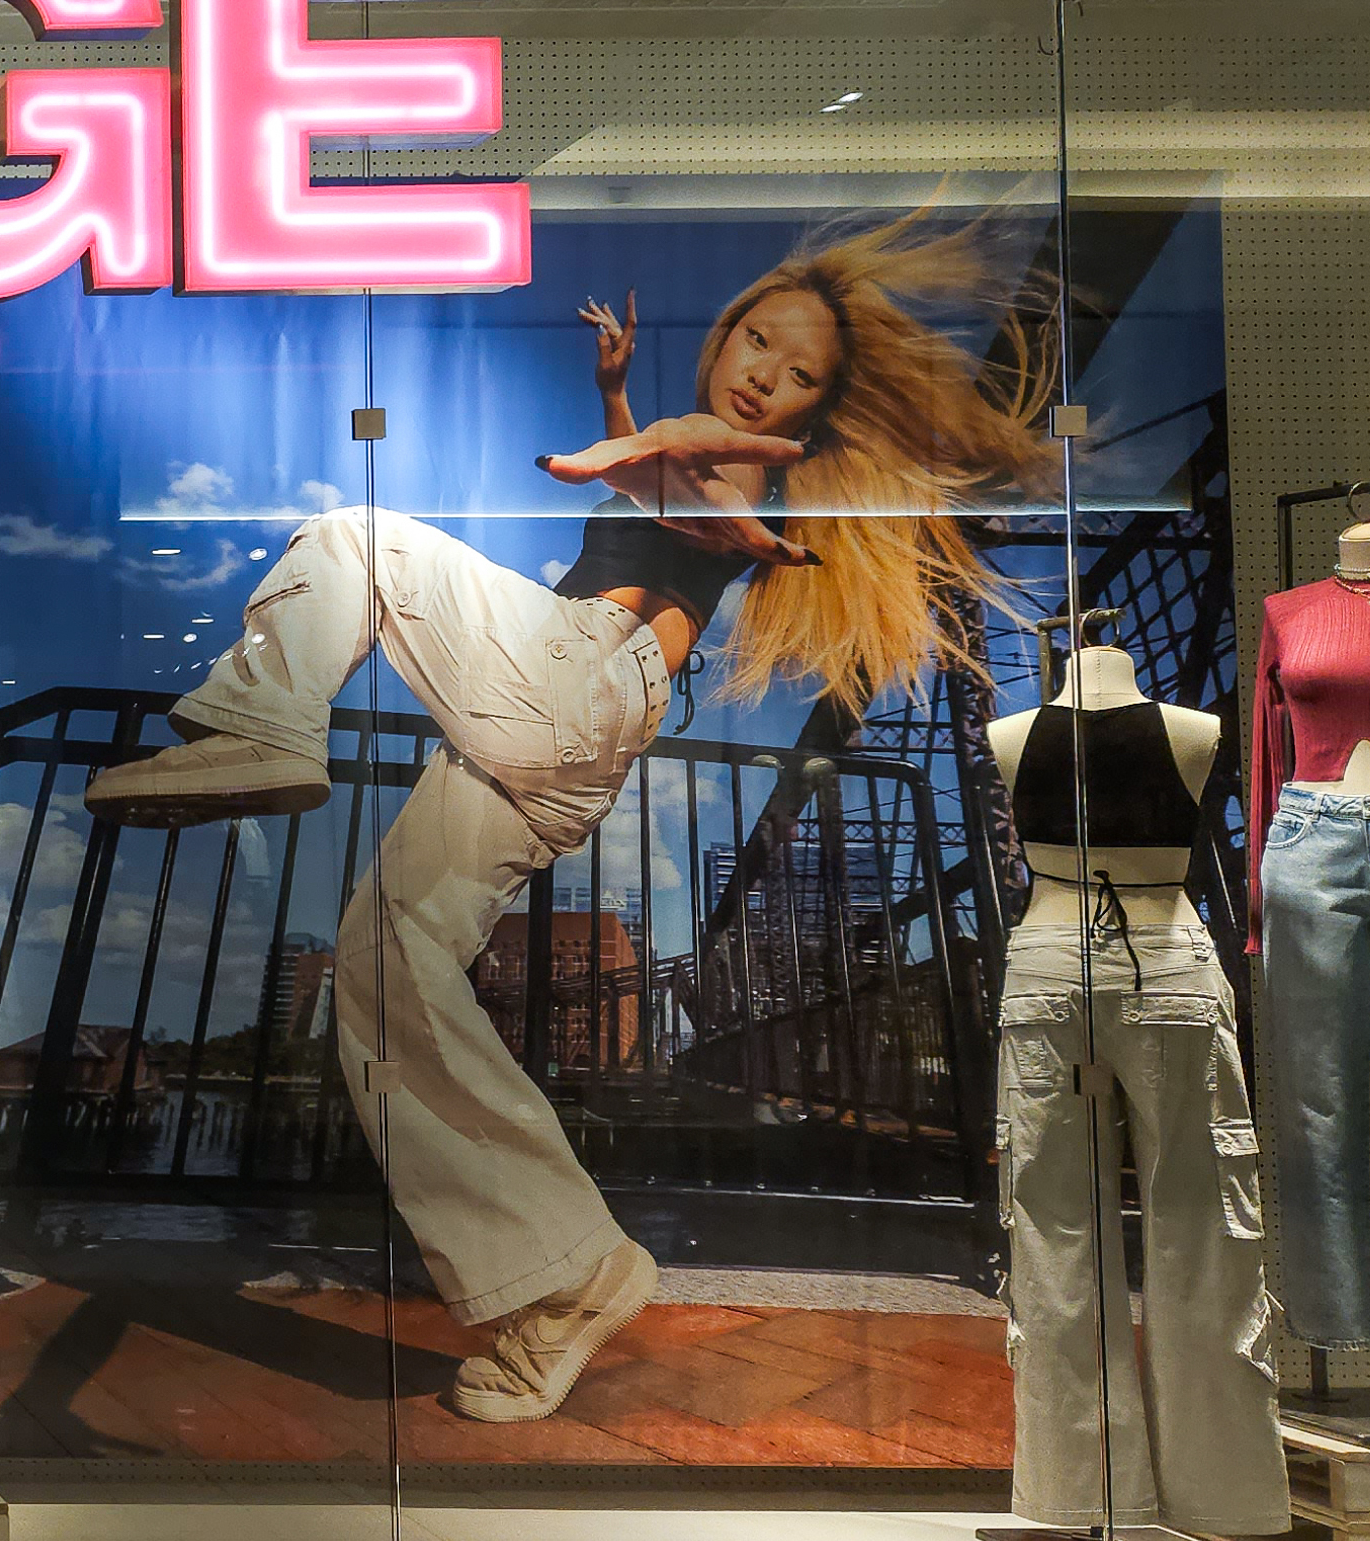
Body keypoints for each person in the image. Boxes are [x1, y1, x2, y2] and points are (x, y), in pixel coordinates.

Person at [88, 209, 1058, 1423]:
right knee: (386, 973)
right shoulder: (716, 458)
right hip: (561, 738)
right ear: (728, 327)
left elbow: (690, 471)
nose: (761, 371)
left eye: (797, 371)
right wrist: (619, 411)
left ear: (814, 409)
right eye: (757, 336)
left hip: (574, 676)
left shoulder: (743, 456)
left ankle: (260, 727)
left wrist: (637, 457)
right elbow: (671, 482)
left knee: (357, 538)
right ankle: (556, 1281)